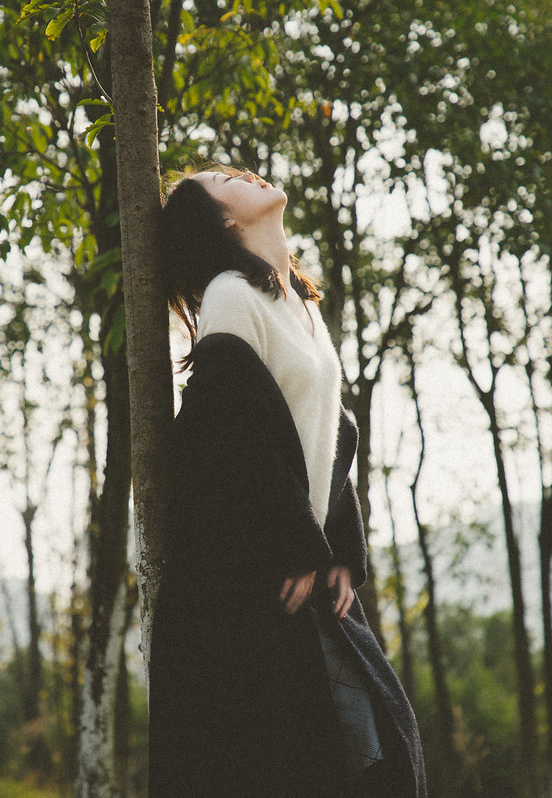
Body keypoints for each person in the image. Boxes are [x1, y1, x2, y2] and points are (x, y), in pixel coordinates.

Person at [149, 165, 428, 798]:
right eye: (224, 179)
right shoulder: (228, 294)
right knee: (307, 757)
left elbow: (323, 437)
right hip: (252, 579)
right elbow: (228, 432)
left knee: (376, 747)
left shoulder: (297, 301)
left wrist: (342, 551)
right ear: (222, 221)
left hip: (301, 563)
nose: (242, 173)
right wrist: (296, 545)